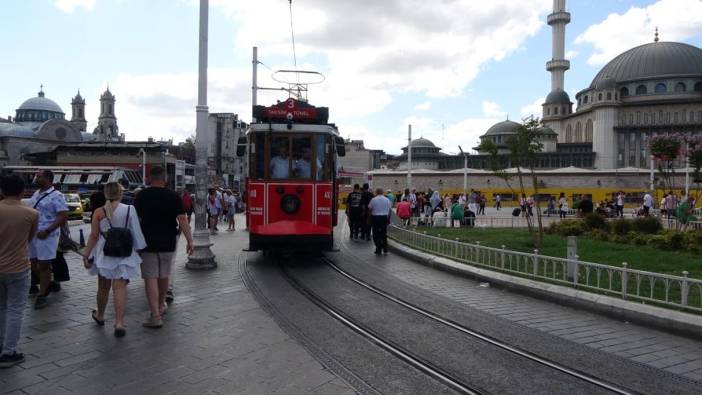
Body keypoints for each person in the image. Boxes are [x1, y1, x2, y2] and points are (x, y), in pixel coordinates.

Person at [82, 182, 146, 338]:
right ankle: (119, 323)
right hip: (124, 252)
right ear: (120, 193)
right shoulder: (130, 209)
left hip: (105, 252)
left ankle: (100, 315)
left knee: (103, 287)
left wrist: (86, 254)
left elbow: (94, 236)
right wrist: (139, 250)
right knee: (120, 288)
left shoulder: (98, 212)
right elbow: (135, 232)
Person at [134, 166, 194, 329]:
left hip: (147, 242)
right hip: (169, 241)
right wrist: (190, 241)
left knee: (150, 277)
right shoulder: (173, 196)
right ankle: (161, 306)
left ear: (149, 178)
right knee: (164, 275)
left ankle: (155, 315)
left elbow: (134, 221)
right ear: (165, 179)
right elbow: (182, 220)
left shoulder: (142, 196)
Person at [0, 175, 38, 368]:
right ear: (23, 191)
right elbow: (29, 238)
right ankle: (9, 352)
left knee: (1, 307)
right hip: (18, 267)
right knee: (15, 309)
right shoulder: (31, 214)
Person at [28, 170, 68, 309]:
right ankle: (48, 283)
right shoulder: (36, 194)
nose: (36, 178)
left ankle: (42, 294)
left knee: (44, 264)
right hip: (33, 234)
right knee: (33, 263)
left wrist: (48, 230)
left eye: (39, 176)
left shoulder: (57, 195)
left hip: (47, 235)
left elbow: (62, 215)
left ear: (47, 178)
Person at [368, 188, 391, 254]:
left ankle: (378, 248)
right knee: (383, 234)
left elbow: (370, 210)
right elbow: (389, 211)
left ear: (376, 192)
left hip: (375, 218)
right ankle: (385, 249)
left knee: (375, 234)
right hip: (384, 218)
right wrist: (388, 219)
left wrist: (369, 219)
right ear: (383, 192)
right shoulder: (387, 200)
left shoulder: (373, 200)